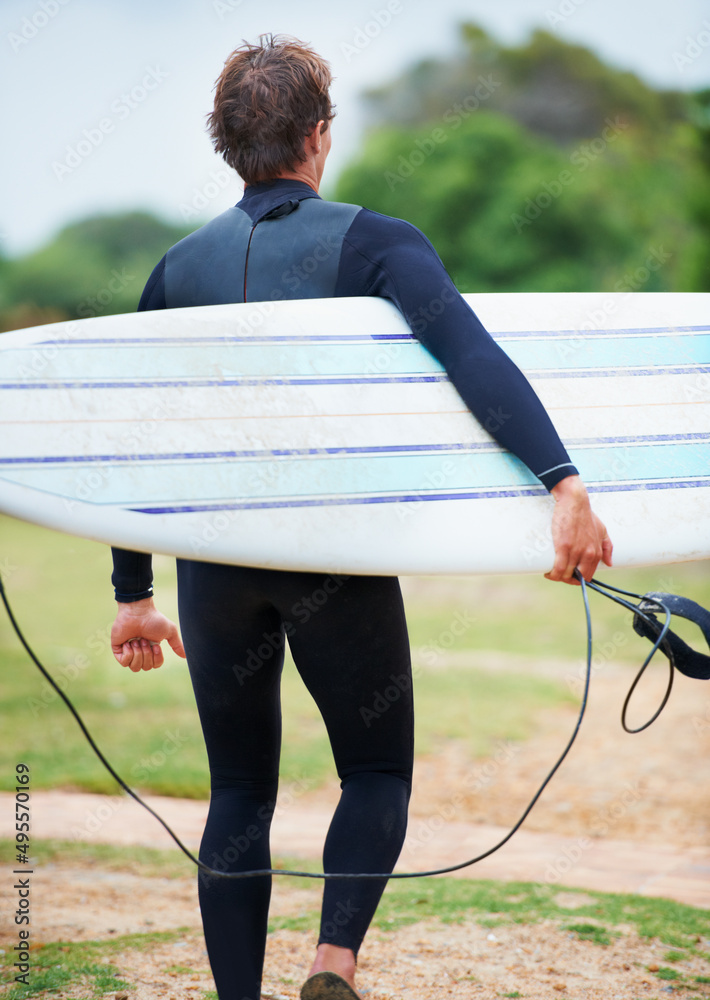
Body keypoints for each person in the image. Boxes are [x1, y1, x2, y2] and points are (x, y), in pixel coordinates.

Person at [110, 34, 612, 1000]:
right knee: (375, 768)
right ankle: (333, 962)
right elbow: (475, 361)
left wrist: (134, 593)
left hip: (213, 572)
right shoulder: (377, 241)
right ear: (319, 136)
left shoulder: (175, 269)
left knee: (239, 792)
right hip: (332, 556)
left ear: (228, 143)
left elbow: (134, 443)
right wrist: (560, 479)